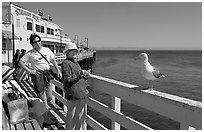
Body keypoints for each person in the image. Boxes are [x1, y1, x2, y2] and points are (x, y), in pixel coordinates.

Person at [19, 33, 62, 128]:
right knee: (42, 98)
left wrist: (58, 70)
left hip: (47, 74)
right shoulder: (30, 53)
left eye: (39, 41)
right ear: (32, 44)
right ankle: (46, 119)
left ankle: (45, 115)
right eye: (35, 42)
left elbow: (53, 60)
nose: (38, 43)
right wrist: (30, 70)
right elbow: (20, 62)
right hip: (37, 76)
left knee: (50, 97)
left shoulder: (47, 50)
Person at [2, 65, 48, 129]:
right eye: (11, 74)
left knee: (38, 102)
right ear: (6, 76)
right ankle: (42, 124)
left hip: (20, 103)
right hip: (18, 107)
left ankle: (43, 121)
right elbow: (9, 100)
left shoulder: (10, 83)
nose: (14, 74)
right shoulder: (4, 87)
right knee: (37, 104)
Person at [62, 42, 90, 130]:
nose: (75, 53)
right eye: (72, 51)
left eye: (76, 51)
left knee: (81, 115)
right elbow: (67, 80)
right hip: (73, 95)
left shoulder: (76, 63)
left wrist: (85, 75)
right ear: (67, 53)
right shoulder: (66, 63)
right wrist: (80, 73)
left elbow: (79, 76)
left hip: (81, 94)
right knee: (72, 116)